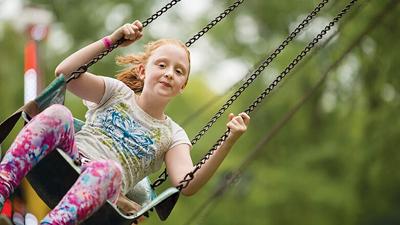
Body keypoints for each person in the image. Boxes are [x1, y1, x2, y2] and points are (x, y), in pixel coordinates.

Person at [0, 20, 250, 225]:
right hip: (66, 159)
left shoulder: (173, 134)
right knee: (58, 113)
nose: (168, 73)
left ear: (182, 86)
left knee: (110, 170)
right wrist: (111, 41)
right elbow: (65, 73)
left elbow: (187, 183)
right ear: (143, 71)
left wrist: (228, 140)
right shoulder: (116, 92)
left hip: (104, 187)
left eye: (178, 71)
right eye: (162, 65)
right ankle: (3, 184)